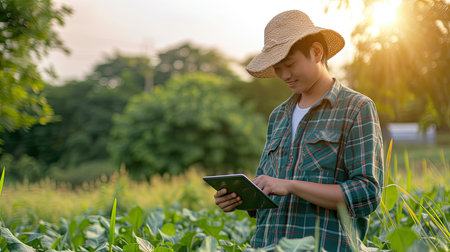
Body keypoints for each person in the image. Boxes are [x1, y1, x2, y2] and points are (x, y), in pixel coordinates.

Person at [214, 10, 384, 251]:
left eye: (290, 64)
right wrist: (241, 197)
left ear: (316, 52)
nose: (284, 76)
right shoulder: (278, 116)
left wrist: (292, 185)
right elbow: (268, 187)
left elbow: (367, 193)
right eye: (277, 68)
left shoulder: (356, 108)